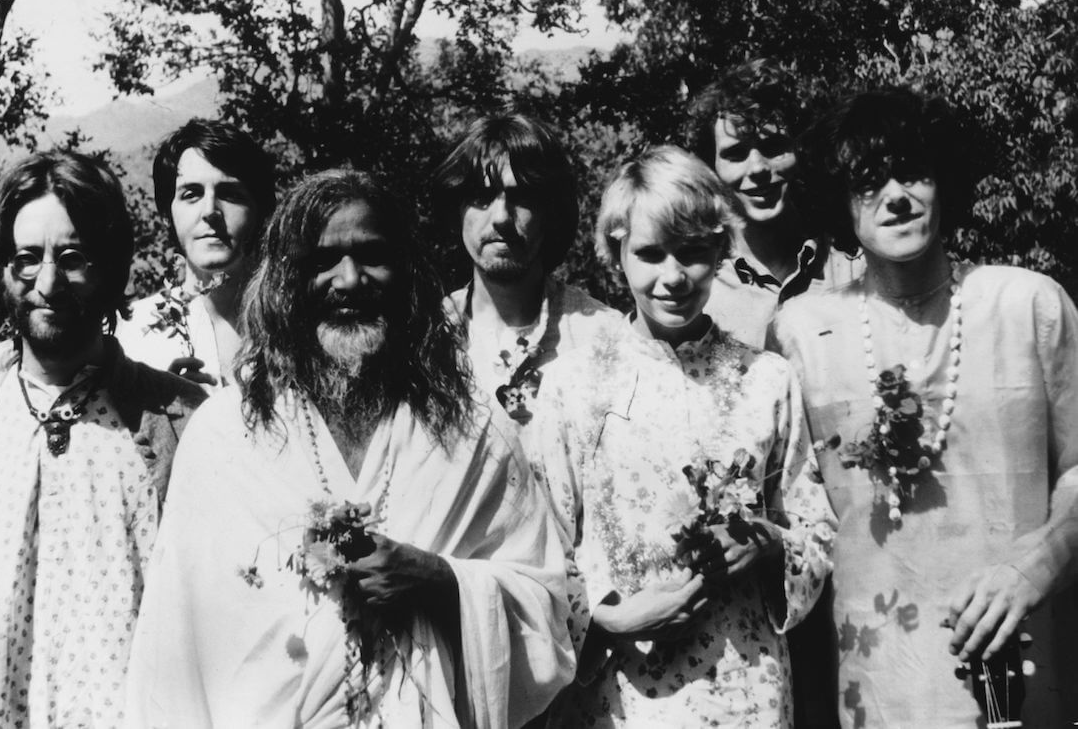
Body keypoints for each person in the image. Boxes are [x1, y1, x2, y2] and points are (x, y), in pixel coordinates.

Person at [123, 169, 574, 728]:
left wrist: (441, 582)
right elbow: (174, 654)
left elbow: (550, 608)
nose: (350, 280)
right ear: (286, 279)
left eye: (372, 255)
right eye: (322, 261)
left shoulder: (474, 432)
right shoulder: (224, 437)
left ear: (407, 272)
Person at [768, 87, 1078, 727]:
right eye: (866, 180)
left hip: (1025, 662)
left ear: (947, 184)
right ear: (838, 201)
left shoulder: (1027, 305)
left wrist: (1042, 558)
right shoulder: (801, 333)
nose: (896, 196)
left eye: (913, 171)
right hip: (871, 681)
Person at [0, 151, 206, 728]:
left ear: (111, 269)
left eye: (74, 258)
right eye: (27, 259)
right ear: (3, 271)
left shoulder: (180, 420)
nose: (49, 283)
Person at [539, 146, 835, 727]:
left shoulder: (767, 379)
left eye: (694, 253)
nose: (672, 277)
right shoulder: (572, 386)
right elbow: (541, 545)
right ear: (615, 251)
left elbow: (816, 526)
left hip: (747, 684)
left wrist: (769, 543)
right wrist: (605, 617)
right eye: (650, 254)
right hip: (621, 695)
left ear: (723, 249)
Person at [433, 112, 620, 427]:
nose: (501, 217)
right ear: (457, 211)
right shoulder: (429, 337)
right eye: (481, 196)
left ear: (551, 213)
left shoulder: (604, 337)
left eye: (523, 198)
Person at [688, 58, 862, 348]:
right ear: (711, 167)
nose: (757, 167)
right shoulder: (697, 292)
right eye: (736, 154)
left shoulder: (854, 267)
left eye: (773, 146)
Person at [114, 118, 276, 386]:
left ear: (261, 211)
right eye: (191, 194)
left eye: (230, 194)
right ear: (167, 214)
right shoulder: (130, 334)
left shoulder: (291, 328)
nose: (210, 211)